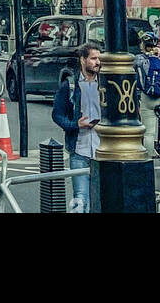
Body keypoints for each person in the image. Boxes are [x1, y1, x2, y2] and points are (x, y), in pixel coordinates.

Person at [52, 42, 101, 214]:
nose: (97, 62)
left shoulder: (106, 84)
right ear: (83, 60)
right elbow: (57, 114)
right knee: (80, 198)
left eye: (99, 58)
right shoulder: (70, 85)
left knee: (101, 199)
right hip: (79, 150)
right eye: (93, 58)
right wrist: (75, 125)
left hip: (103, 152)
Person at [134, 31, 160, 155]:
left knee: (148, 132)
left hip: (149, 98)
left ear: (143, 45)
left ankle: (150, 156)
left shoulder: (139, 60)